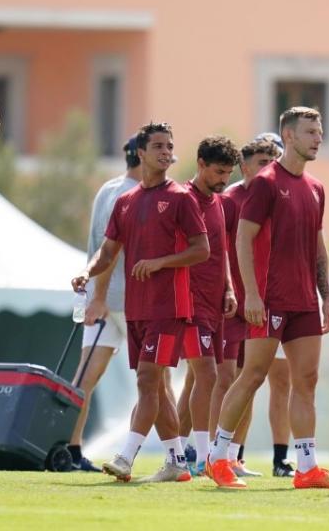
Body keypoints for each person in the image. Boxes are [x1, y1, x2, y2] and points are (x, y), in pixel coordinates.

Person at [206, 107, 329, 490]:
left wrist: (327, 298)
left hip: (304, 301)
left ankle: (307, 468)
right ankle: (218, 457)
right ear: (288, 136)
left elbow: (319, 249)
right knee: (251, 376)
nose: (318, 138)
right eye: (310, 132)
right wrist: (251, 293)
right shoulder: (266, 183)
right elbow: (242, 240)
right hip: (268, 300)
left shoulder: (316, 188)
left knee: (306, 381)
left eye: (320, 131)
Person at [71, 122, 209, 484]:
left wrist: (161, 262)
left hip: (170, 307)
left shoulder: (180, 197)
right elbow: (108, 250)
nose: (166, 151)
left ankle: (125, 458)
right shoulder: (126, 202)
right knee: (156, 386)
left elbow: (202, 249)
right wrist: (87, 274)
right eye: (159, 146)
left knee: (148, 380)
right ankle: (176, 461)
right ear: (142, 153)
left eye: (170, 145)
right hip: (137, 308)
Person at [63, 136, 149, 473]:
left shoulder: (107, 188)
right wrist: (98, 298)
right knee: (153, 377)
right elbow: (111, 250)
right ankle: (178, 452)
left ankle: (70, 450)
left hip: (102, 299)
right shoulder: (130, 195)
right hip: (121, 300)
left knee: (84, 378)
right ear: (141, 156)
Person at [219, 135, 287, 477]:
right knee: (222, 378)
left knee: (249, 379)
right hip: (231, 304)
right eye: (262, 161)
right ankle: (201, 451)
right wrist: (228, 291)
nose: (268, 167)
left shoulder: (278, 197)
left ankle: (233, 456)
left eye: (272, 160)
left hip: (262, 304)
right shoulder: (231, 200)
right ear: (244, 166)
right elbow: (219, 253)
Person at [178, 136, 241, 475]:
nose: (224, 180)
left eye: (229, 173)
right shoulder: (182, 200)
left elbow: (222, 251)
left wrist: (229, 288)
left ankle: (177, 455)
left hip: (216, 304)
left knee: (199, 380)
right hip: (189, 303)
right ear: (201, 164)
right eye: (219, 172)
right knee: (208, 375)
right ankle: (202, 457)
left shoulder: (218, 202)